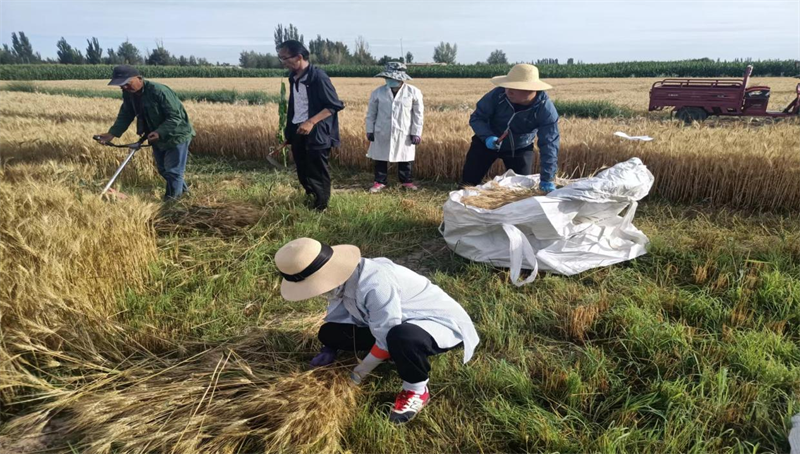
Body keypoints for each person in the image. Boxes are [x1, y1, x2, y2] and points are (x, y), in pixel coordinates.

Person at [275, 238, 479, 424]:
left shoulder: (374, 283)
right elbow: (338, 316)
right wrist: (329, 348)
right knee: (329, 332)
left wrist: (357, 375)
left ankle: (416, 389)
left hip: (433, 322)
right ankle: (394, 354)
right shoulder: (340, 279)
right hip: (391, 322)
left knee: (401, 338)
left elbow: (386, 334)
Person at [95, 65, 195, 201]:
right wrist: (112, 133)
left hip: (176, 134)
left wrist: (160, 132)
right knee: (164, 170)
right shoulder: (129, 94)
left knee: (173, 171)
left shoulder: (159, 91)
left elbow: (175, 117)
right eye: (121, 86)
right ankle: (184, 195)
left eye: (126, 84)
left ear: (139, 78)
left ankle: (172, 202)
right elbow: (126, 113)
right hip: (155, 136)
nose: (124, 88)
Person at [461, 64, 560, 192]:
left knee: (521, 190)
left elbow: (550, 144)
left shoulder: (545, 110)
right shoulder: (497, 95)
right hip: (486, 143)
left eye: (515, 87)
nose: (508, 91)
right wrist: (487, 137)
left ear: (531, 90)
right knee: (468, 185)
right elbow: (477, 118)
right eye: (508, 86)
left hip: (520, 148)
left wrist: (547, 179)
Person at [278, 40, 345, 212]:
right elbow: (295, 107)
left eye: (285, 58)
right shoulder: (293, 78)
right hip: (298, 130)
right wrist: (290, 134)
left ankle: (321, 206)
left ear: (299, 57)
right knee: (302, 168)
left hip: (317, 132)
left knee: (317, 170)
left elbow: (333, 105)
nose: (283, 62)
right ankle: (311, 197)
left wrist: (311, 122)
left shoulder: (318, 77)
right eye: (281, 58)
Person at [365, 62, 424, 193]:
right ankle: (379, 181)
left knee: (405, 157)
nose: (390, 80)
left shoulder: (413, 92)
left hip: (404, 131)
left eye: (393, 78)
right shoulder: (378, 93)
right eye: (388, 78)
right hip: (382, 130)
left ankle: (406, 181)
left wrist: (416, 132)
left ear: (401, 78)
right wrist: (370, 130)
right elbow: (371, 113)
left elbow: (418, 115)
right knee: (380, 157)